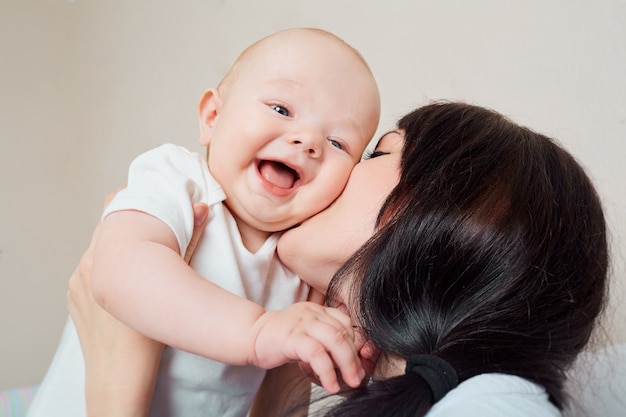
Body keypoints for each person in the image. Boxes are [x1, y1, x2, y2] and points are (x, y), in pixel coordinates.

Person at [67, 102, 608, 417]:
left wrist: (119, 367)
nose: (330, 166)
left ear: (443, 218)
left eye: (376, 151)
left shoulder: (495, 405)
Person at [28, 27, 380, 417]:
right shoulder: (179, 181)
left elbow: (282, 397)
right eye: (281, 109)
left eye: (337, 143)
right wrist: (257, 330)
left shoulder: (299, 263)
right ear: (213, 116)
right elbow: (117, 270)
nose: (308, 140)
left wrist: (331, 358)